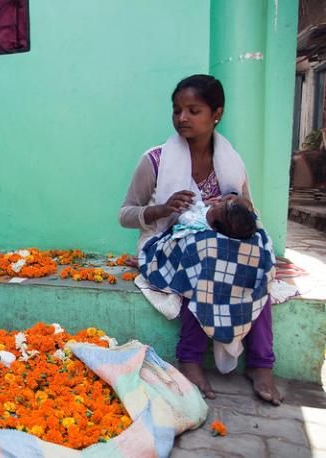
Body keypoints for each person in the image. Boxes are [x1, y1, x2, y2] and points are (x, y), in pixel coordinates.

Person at [119, 74, 282, 405]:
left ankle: (261, 364)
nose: (182, 118)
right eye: (177, 110)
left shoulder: (231, 162)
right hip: (164, 245)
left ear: (216, 114)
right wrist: (161, 210)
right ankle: (190, 357)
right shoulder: (155, 160)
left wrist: (235, 208)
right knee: (205, 256)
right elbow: (125, 214)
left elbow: (247, 215)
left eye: (193, 110)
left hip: (215, 247)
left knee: (259, 260)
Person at [172, 195, 257, 240]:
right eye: (221, 202)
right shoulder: (215, 215)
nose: (216, 203)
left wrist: (201, 205)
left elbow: (182, 218)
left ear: (214, 227)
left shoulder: (198, 226)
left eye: (214, 208)